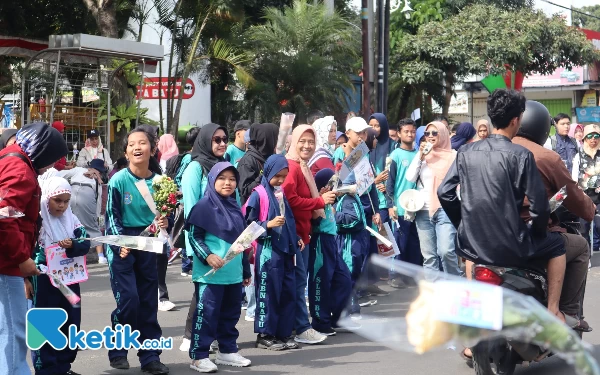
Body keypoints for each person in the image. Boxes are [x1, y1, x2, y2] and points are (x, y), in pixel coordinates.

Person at [437, 89, 567, 326]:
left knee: (470, 256)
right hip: (512, 244)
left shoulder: (465, 152)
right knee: (557, 244)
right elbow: (539, 207)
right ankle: (553, 310)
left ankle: (471, 321)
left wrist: (464, 225)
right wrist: (537, 234)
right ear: (516, 120)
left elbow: (444, 193)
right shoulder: (521, 155)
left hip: (473, 244)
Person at [513, 100, 594, 331]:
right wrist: (589, 209)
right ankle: (565, 312)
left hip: (486, 236)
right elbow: (574, 197)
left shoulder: (488, 151)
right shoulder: (545, 157)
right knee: (579, 246)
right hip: (530, 236)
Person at [0, 122, 67, 374]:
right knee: (12, 334)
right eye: (51, 159)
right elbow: (5, 216)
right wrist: (21, 259)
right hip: (6, 262)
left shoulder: (7, 159)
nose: (50, 166)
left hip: (8, 259)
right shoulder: (20, 170)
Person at [105, 127, 170, 374]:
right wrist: (121, 243)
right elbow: (111, 215)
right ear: (126, 152)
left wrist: (165, 222)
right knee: (129, 299)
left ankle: (150, 356)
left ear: (152, 149)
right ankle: (118, 350)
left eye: (142, 143)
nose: (137, 148)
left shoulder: (161, 182)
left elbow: (167, 216)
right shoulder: (119, 180)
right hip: (123, 242)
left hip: (150, 242)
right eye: (132, 144)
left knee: (147, 302)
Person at [186, 162, 252, 372]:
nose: (228, 183)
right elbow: (194, 237)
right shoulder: (203, 206)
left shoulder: (234, 207)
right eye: (222, 178)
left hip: (232, 274)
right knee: (207, 314)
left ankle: (227, 351)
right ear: (213, 179)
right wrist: (208, 255)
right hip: (210, 274)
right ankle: (199, 355)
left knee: (231, 315)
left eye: (232, 179)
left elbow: (242, 242)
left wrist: (245, 270)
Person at [282, 125, 337, 345]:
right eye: (302, 141)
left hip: (304, 234)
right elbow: (289, 199)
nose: (307, 146)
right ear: (294, 142)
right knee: (297, 283)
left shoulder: (302, 166)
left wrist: (318, 199)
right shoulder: (292, 167)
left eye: (311, 142)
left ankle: (298, 324)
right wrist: (319, 202)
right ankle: (302, 327)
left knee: (298, 282)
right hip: (294, 236)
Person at [32, 176, 91, 375]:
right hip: (44, 279)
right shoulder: (38, 222)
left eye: (66, 201)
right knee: (46, 322)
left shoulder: (72, 220)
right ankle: (46, 369)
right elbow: (29, 251)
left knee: (70, 321)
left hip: (69, 279)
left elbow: (85, 242)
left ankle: (63, 366)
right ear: (47, 198)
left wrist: (73, 244)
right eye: (58, 200)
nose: (62, 206)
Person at [180, 123, 229, 351]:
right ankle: (192, 337)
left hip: (223, 240)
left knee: (218, 292)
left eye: (224, 139)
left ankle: (209, 336)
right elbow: (191, 210)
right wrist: (193, 250)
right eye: (216, 139)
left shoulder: (223, 166)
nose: (221, 143)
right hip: (202, 241)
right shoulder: (195, 168)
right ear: (205, 141)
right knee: (203, 291)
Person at [244, 154, 298, 350]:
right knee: (268, 293)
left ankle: (283, 333)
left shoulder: (280, 192)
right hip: (268, 252)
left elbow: (289, 220)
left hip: (285, 251)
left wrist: (296, 238)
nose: (281, 180)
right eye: (277, 176)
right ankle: (265, 334)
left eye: (284, 176)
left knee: (286, 292)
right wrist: (268, 224)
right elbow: (249, 226)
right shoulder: (258, 194)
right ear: (268, 173)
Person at [406, 121, 461, 276]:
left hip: (445, 209)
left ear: (443, 134)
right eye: (427, 133)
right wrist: (420, 156)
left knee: (446, 252)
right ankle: (435, 294)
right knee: (429, 257)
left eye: (434, 133)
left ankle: (455, 286)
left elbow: (461, 182)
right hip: (423, 210)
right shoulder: (423, 155)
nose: (430, 136)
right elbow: (410, 177)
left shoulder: (454, 155)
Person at [311, 168, 353, 333]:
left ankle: (338, 317)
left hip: (331, 241)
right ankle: (320, 322)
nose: (333, 188)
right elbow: (313, 217)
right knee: (321, 281)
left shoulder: (330, 202)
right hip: (320, 241)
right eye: (330, 184)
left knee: (344, 280)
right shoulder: (318, 200)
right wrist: (321, 200)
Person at [386, 119, 422, 277]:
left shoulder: (419, 153)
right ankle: (397, 275)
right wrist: (390, 205)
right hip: (400, 208)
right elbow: (389, 182)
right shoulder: (395, 155)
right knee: (400, 243)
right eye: (406, 131)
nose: (410, 134)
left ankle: (412, 275)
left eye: (412, 131)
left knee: (415, 243)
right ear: (399, 134)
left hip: (418, 208)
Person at [572, 124, 600, 251]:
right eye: (590, 136)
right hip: (584, 196)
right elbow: (573, 179)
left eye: (596, 136)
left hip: (599, 197)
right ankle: (586, 255)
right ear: (584, 139)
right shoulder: (578, 156)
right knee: (583, 228)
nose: (593, 139)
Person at [238, 123, 280, 203]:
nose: (277, 143)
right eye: (276, 139)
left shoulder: (267, 157)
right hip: (255, 211)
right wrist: (264, 174)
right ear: (267, 140)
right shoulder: (248, 161)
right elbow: (245, 191)